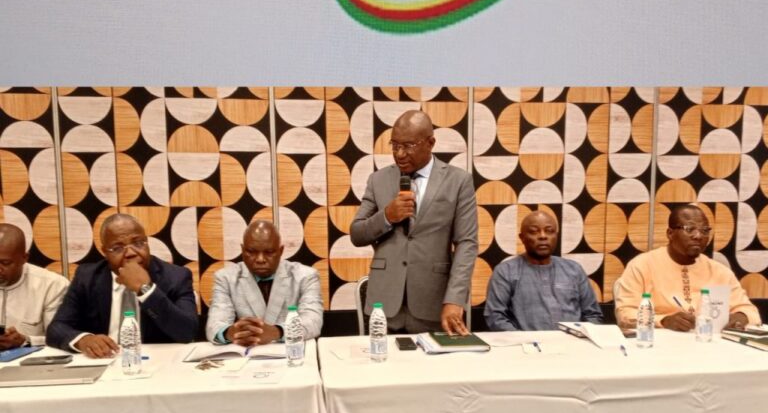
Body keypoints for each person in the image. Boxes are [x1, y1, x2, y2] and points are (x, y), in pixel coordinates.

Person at [350, 110, 478, 334]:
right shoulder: (378, 180)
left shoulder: (459, 181)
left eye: (408, 146)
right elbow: (357, 234)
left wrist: (454, 299)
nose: (399, 153)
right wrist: (387, 216)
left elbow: (467, 243)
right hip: (384, 305)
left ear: (430, 143)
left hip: (434, 303)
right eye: (394, 145)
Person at [47, 213, 198, 357]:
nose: (130, 253)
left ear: (147, 242)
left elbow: (187, 332)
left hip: (157, 362)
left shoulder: (176, 277)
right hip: (105, 360)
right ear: (105, 252)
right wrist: (83, 340)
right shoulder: (86, 278)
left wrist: (146, 290)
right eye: (118, 248)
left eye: (138, 243)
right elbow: (56, 328)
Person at [615, 203, 760, 331]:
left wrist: (742, 316)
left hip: (709, 345)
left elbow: (750, 311)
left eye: (705, 230)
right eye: (689, 229)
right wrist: (664, 321)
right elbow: (626, 314)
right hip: (659, 345)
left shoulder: (720, 272)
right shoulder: (642, 265)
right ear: (670, 233)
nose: (698, 236)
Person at [205, 219, 323, 345]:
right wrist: (229, 333)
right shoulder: (225, 278)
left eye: (269, 252)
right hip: (247, 352)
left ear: (280, 251)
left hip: (290, 351)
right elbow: (214, 326)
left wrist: (277, 332)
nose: (260, 259)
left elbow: (313, 322)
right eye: (251, 252)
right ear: (243, 250)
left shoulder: (305, 276)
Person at [484, 210, 603, 330]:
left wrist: (580, 336)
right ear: (522, 238)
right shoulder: (505, 271)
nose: (543, 236)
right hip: (525, 341)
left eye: (549, 231)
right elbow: (495, 317)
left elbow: (593, 315)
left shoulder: (574, 270)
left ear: (556, 236)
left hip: (572, 340)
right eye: (534, 231)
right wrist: (523, 339)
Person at [0, 223, 69, 348]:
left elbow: (62, 337)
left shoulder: (53, 285)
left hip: (35, 358)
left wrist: (26, 340)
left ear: (24, 258)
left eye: (5, 263)